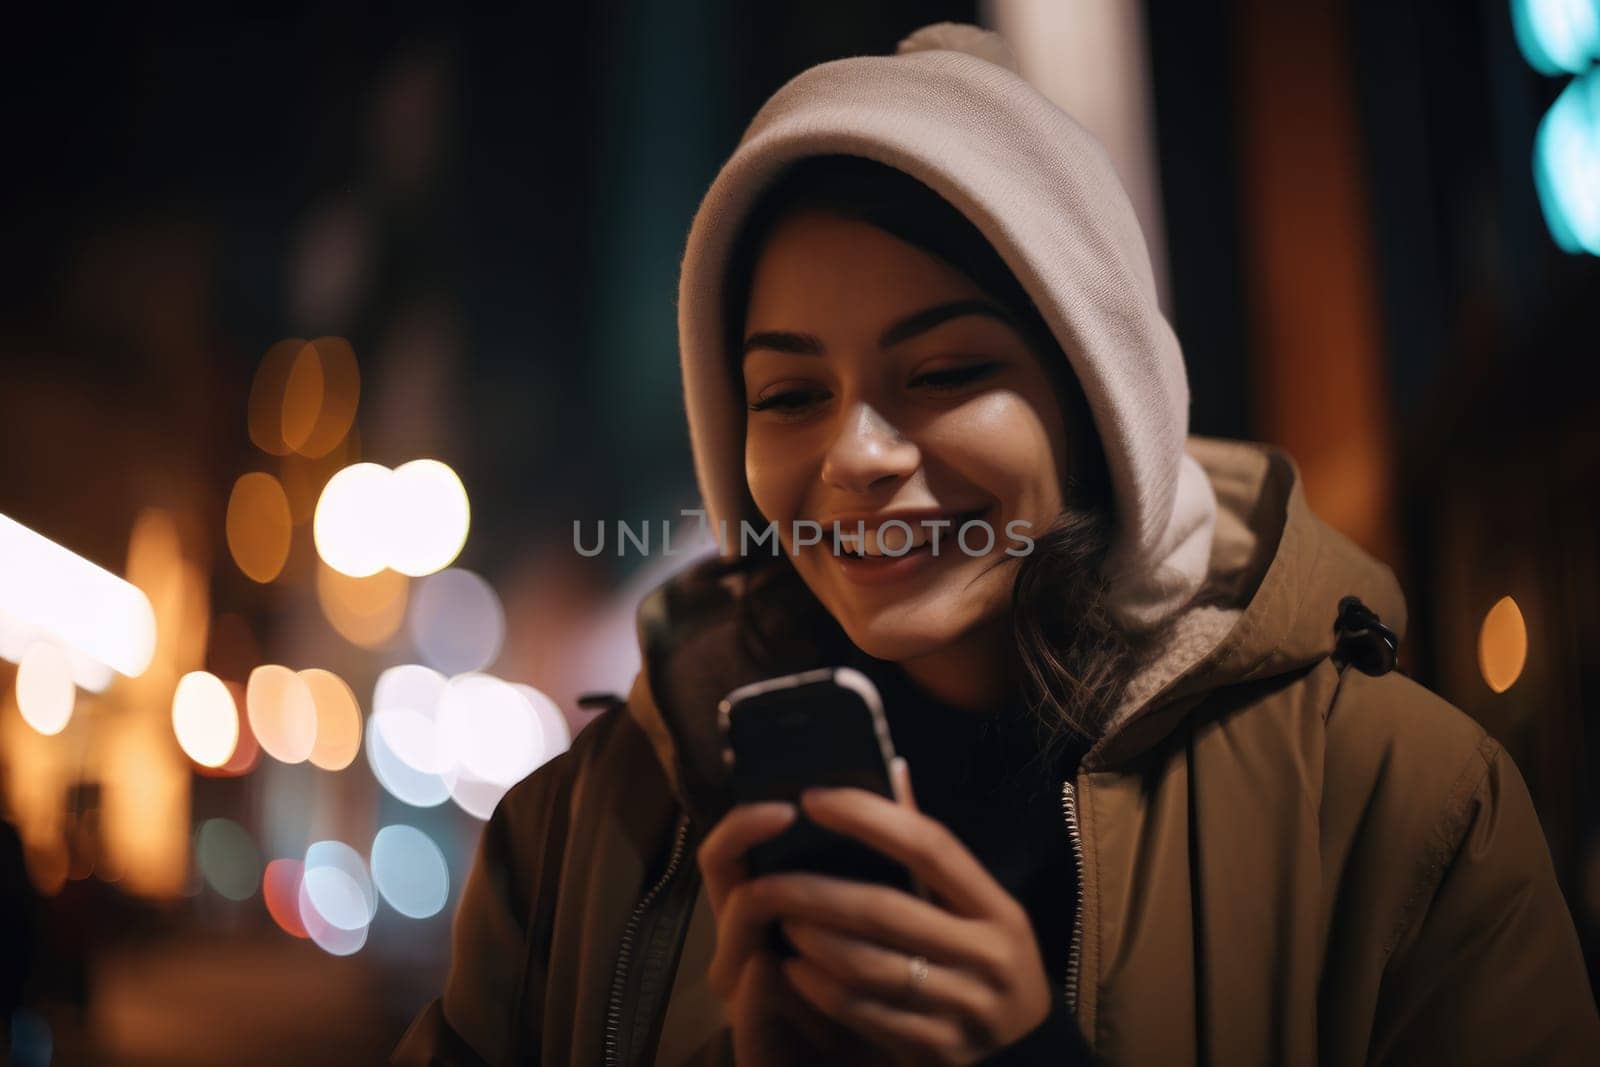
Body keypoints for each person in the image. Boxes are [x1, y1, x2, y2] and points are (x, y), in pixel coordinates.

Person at [395, 22, 1600, 1066]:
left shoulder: (1402, 808)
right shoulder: (582, 838)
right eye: (785, 393)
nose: (855, 454)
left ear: (1090, 403)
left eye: (947, 370)